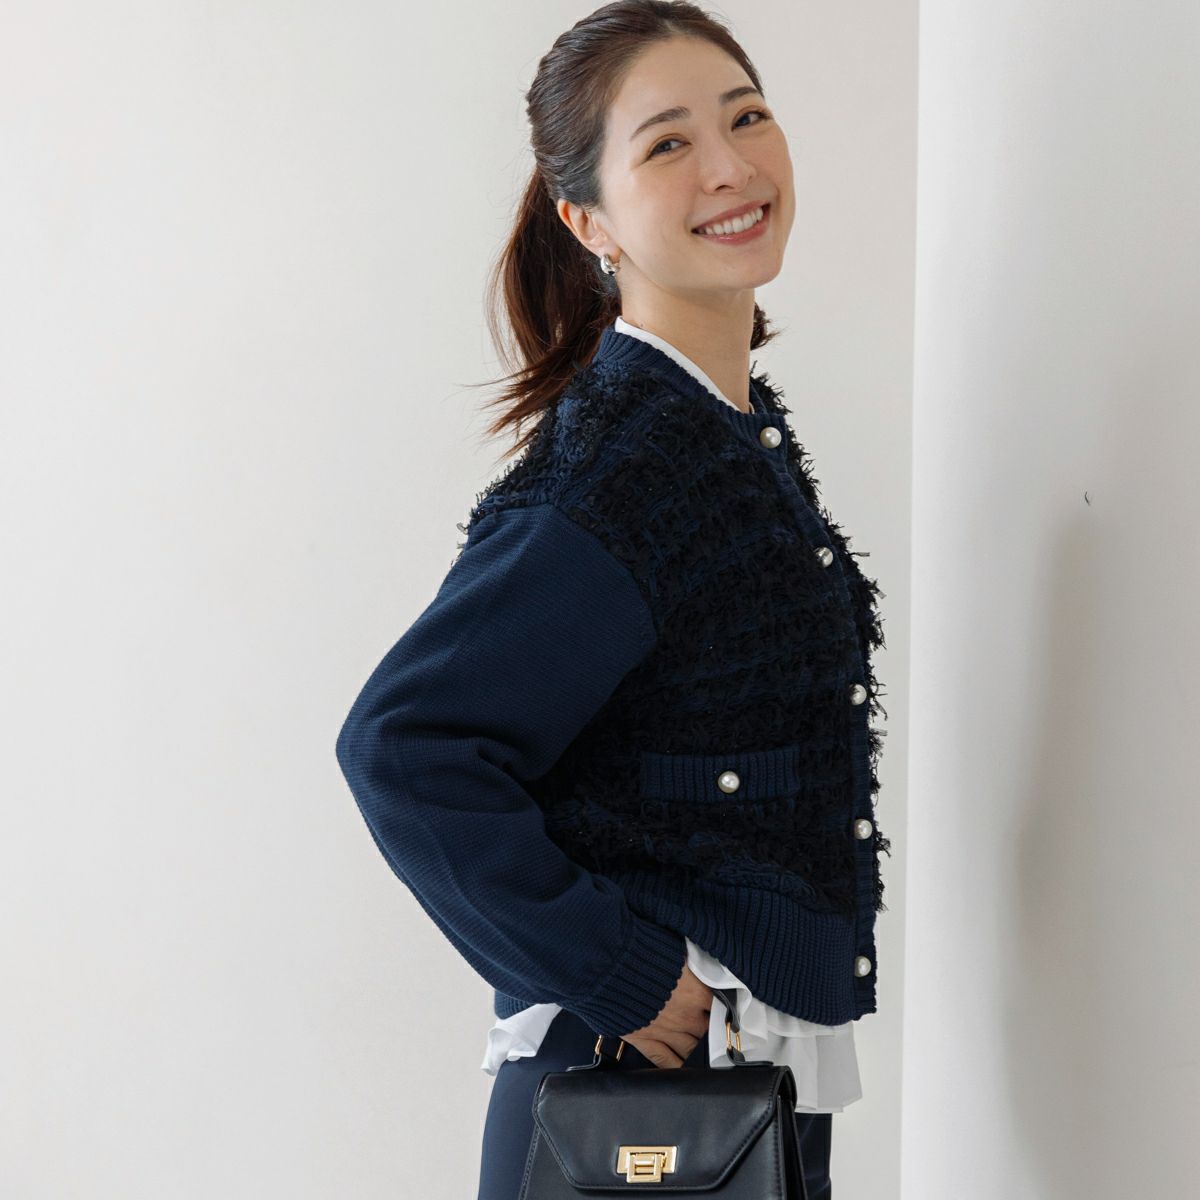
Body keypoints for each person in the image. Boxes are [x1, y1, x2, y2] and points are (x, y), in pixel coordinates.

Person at [334, 4, 891, 1198]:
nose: (730, 167)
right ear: (587, 219)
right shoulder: (634, 465)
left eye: (747, 118)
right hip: (641, 1098)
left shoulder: (722, 430)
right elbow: (405, 745)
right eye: (669, 143)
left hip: (730, 1086)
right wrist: (623, 975)